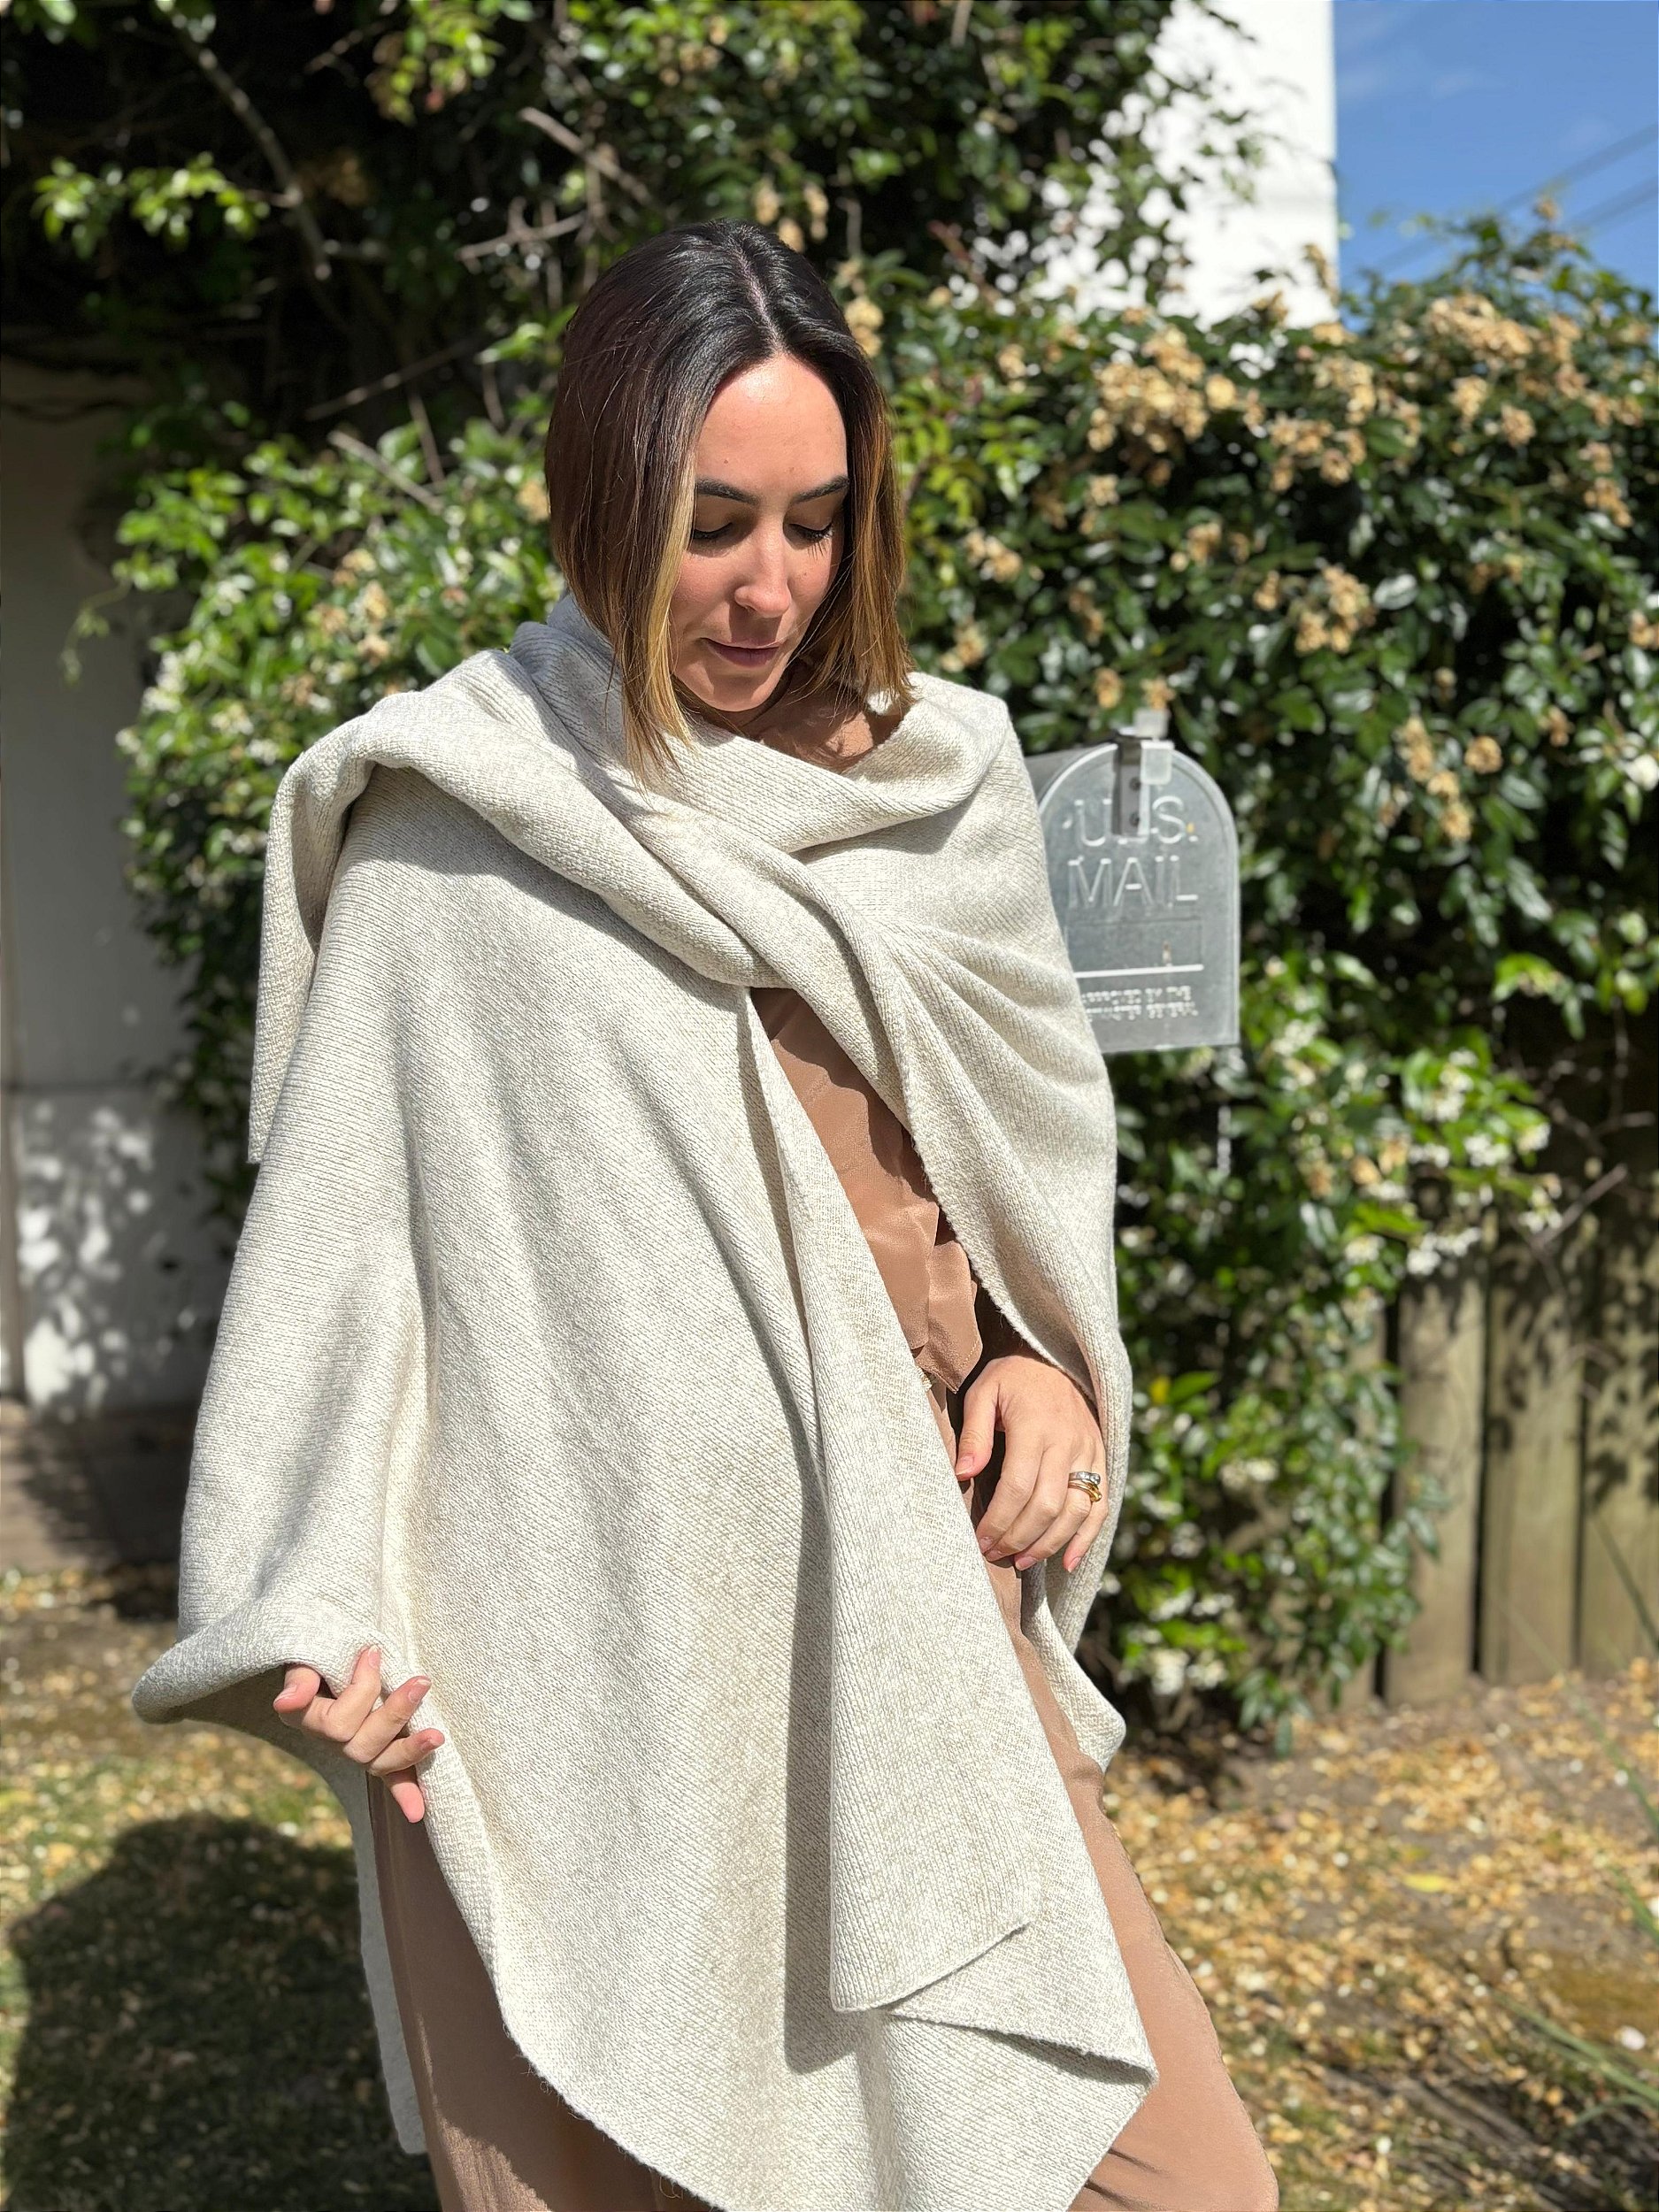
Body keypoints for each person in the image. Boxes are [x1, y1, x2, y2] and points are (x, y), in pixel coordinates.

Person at [134, 219, 1277, 2212]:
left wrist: (1036, 1371)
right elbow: (343, 1267)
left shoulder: (939, 786)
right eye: (712, 524)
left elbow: (994, 1171)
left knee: (1181, 2176)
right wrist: (307, 1600)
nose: (771, 587)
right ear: (598, 500)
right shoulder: (452, 813)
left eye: (816, 523)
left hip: (899, 1589)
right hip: (556, 1639)